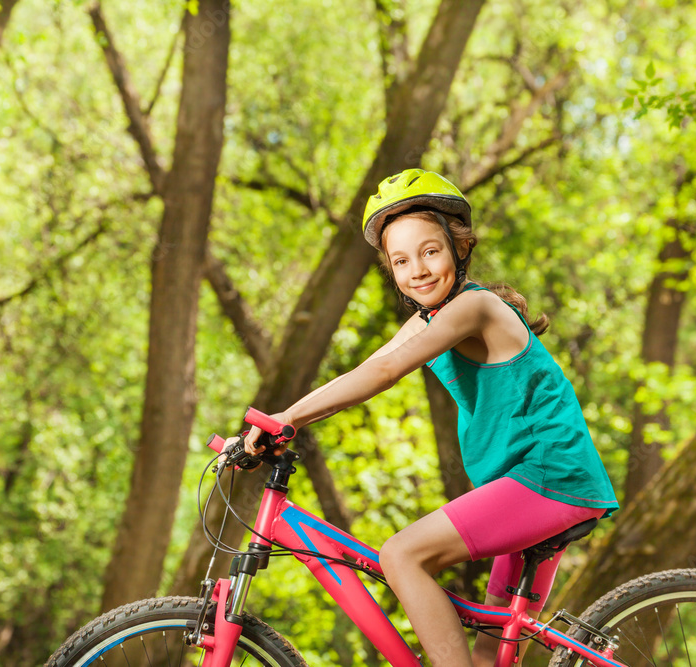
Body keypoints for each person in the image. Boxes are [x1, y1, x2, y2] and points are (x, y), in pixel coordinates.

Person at [238, 169, 619, 666]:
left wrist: (286, 416)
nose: (416, 269)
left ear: (460, 249)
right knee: (488, 659)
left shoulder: (474, 307)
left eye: (429, 251)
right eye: (400, 260)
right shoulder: (430, 319)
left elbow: (390, 370)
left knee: (401, 555)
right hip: (526, 486)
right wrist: (283, 421)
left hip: (547, 477)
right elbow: (369, 367)